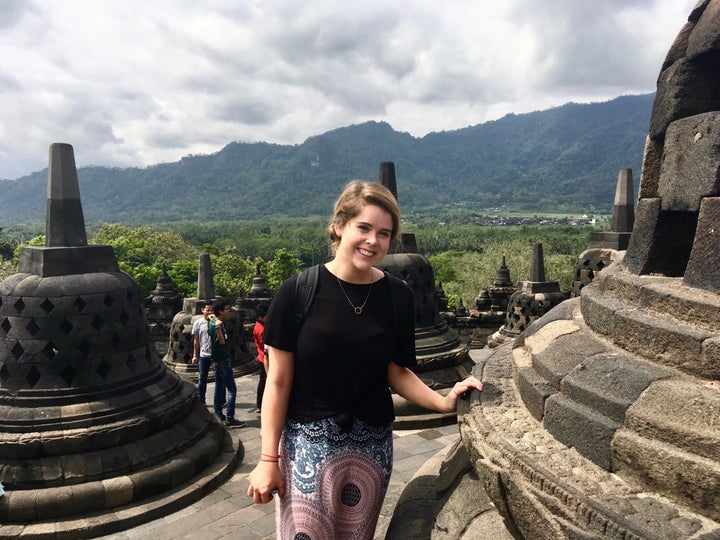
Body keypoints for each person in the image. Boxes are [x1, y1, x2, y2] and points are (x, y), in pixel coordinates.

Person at [246, 180, 483, 539]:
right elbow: (278, 382)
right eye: (364, 228)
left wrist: (444, 399)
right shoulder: (297, 292)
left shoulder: (396, 296)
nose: (373, 241)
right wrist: (267, 460)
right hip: (309, 450)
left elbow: (396, 370)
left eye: (384, 233)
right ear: (339, 227)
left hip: (371, 449)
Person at [208, 299, 245, 428]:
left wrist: (215, 320)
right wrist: (218, 327)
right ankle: (230, 417)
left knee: (219, 386)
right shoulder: (217, 324)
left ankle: (218, 413)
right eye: (227, 309)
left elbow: (211, 319)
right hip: (222, 359)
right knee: (231, 389)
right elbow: (222, 342)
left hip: (216, 359)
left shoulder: (212, 320)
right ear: (221, 311)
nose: (229, 311)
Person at [191, 301, 214, 405]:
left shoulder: (216, 322)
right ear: (202, 310)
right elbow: (196, 341)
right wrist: (195, 355)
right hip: (204, 355)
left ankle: (221, 400)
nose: (209, 312)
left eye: (211, 310)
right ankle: (201, 400)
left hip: (216, 355)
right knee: (202, 379)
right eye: (207, 310)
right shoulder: (198, 323)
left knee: (220, 377)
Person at [253, 302, 269, 414]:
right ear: (260, 317)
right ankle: (260, 405)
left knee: (263, 382)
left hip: (261, 357)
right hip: (264, 359)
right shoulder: (261, 329)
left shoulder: (261, 325)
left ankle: (261, 404)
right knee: (263, 382)